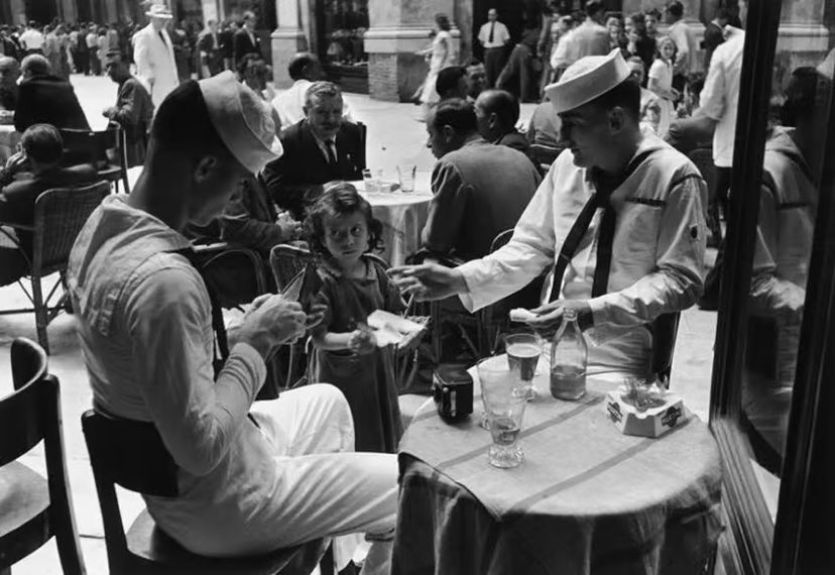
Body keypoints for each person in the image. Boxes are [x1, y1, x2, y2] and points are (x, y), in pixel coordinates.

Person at [66, 72, 397, 575]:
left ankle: (337, 563)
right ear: (204, 167)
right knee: (414, 485)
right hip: (219, 506)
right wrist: (257, 342)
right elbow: (199, 449)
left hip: (179, 474)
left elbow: (152, 364)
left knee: (329, 401)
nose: (235, 197)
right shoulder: (164, 283)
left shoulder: (101, 228)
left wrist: (243, 333)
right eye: (239, 181)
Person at [392, 50, 707, 379]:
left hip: (620, 357)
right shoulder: (568, 165)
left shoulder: (674, 177)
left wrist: (592, 312)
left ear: (615, 120)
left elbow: (681, 281)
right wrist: (462, 279)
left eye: (572, 125)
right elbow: (532, 246)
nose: (560, 138)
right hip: (547, 344)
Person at [306, 182, 406, 453]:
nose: (348, 240)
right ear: (322, 239)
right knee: (347, 431)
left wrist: (402, 329)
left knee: (378, 425)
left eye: (355, 231)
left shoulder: (376, 272)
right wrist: (353, 339)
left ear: (369, 232)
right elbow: (320, 338)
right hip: (340, 375)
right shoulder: (324, 280)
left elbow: (393, 313)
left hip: (377, 369)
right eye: (336, 234)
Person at [422, 98, 540, 262]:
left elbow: (436, 242)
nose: (428, 144)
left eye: (431, 134)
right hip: (530, 266)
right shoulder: (520, 158)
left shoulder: (451, 165)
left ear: (448, 133)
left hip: (482, 272)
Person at [0, 124, 97, 286]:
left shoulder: (17, 193)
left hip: (28, 259)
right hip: (76, 249)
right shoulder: (88, 175)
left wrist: (6, 174)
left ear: (25, 155)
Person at [696, 9, 746, 309]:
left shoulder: (727, 52)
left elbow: (711, 107)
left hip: (729, 149)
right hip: (758, 146)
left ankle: (715, 289)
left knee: (736, 221)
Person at [261, 81, 364, 221]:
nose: (331, 119)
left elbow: (359, 175)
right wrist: (318, 191)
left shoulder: (351, 132)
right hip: (307, 219)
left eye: (336, 112)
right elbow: (273, 190)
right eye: (322, 112)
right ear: (306, 112)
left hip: (349, 215)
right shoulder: (288, 141)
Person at [271, 52, 351, 130]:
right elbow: (351, 124)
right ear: (306, 71)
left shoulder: (276, 102)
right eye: (319, 69)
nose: (323, 73)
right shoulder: (330, 95)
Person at [102, 50, 154, 167]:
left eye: (114, 66)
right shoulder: (126, 84)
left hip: (133, 149)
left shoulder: (130, 85)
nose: (109, 71)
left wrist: (110, 111)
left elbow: (129, 117)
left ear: (127, 65)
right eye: (107, 67)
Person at [14, 55, 90, 133]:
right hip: (82, 137)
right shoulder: (64, 85)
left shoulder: (27, 87)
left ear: (28, 72)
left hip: (54, 140)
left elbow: (20, 125)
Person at [133, 3, 179, 109]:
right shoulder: (143, 35)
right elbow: (140, 58)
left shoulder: (164, 34)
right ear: (152, 19)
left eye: (164, 19)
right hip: (155, 82)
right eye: (160, 19)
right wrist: (149, 76)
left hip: (170, 81)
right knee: (158, 110)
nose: (163, 22)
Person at [417, 13, 458, 118]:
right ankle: (427, 113)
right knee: (429, 86)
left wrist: (442, 65)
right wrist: (424, 51)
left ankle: (432, 112)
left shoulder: (444, 35)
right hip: (436, 62)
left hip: (441, 63)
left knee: (433, 86)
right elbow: (436, 48)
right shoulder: (440, 35)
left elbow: (448, 51)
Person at [474, 89, 531, 158]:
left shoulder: (513, 147)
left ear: (492, 120)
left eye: (476, 112)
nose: (472, 116)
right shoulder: (489, 141)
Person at [664, 1, 700, 93]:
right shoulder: (686, 28)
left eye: (665, 13)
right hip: (689, 74)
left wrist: (674, 70)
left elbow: (683, 51)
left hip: (680, 77)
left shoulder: (678, 29)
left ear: (670, 13)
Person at [647, 36, 678, 138]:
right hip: (659, 102)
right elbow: (651, 86)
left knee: (668, 131)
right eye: (665, 48)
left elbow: (664, 82)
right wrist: (668, 95)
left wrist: (671, 90)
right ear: (659, 49)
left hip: (667, 103)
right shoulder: (658, 65)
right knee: (660, 132)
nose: (668, 51)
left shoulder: (669, 63)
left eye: (671, 48)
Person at [478, 8, 511, 89]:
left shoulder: (502, 26)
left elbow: (507, 39)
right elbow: (481, 39)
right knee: (488, 70)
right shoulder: (484, 27)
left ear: (496, 16)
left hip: (498, 50)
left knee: (498, 70)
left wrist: (499, 44)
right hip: (488, 50)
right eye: (489, 15)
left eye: (493, 15)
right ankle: (488, 88)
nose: (491, 16)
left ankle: (498, 88)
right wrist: (488, 46)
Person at [626, 12, 654, 85]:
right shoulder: (650, 39)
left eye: (631, 24)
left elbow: (630, 52)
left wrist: (632, 41)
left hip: (638, 71)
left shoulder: (646, 40)